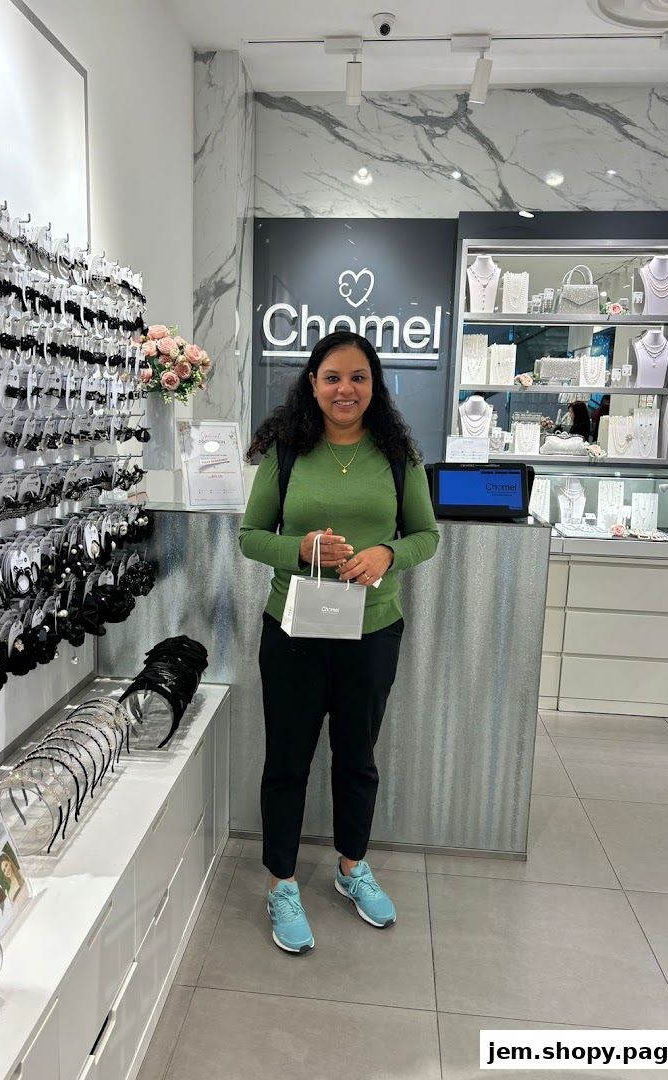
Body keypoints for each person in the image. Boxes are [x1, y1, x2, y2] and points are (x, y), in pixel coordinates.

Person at [239, 330, 438, 954]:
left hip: (371, 632)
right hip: (294, 629)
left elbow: (426, 537)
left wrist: (387, 552)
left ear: (374, 386)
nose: (344, 389)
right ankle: (283, 882)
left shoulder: (398, 456)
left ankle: (353, 868)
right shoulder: (286, 452)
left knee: (358, 757)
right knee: (288, 761)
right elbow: (249, 536)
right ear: (312, 384)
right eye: (331, 377)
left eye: (357, 377)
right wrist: (297, 548)